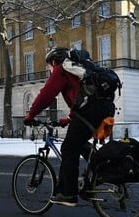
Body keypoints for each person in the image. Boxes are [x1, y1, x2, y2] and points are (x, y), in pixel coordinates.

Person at [23, 47, 116, 207]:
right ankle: (103, 174)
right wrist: (69, 119)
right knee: (84, 143)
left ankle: (68, 194)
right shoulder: (83, 70)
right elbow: (83, 99)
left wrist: (30, 116)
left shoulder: (62, 70)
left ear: (54, 61)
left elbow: (45, 95)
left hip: (92, 111)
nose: (51, 69)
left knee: (68, 148)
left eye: (50, 66)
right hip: (108, 111)